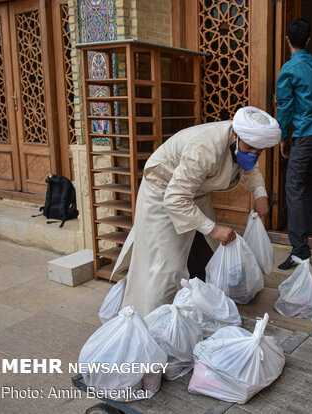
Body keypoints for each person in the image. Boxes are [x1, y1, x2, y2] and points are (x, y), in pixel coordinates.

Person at [111, 107, 281, 316]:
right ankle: (151, 322)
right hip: (164, 193)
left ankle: (191, 312)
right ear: (235, 135)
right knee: (167, 267)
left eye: (260, 150)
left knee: (205, 254)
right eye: (250, 147)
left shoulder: (242, 141)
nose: (254, 153)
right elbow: (175, 199)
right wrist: (213, 228)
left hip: (194, 195)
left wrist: (260, 192)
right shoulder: (204, 148)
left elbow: (249, 165)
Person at [276, 18, 312, 270]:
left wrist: (281, 135)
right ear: (309, 40)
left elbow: (286, 105)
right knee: (304, 182)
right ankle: (311, 232)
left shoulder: (289, 69)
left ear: (287, 39)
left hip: (306, 132)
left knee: (293, 184)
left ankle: (300, 249)